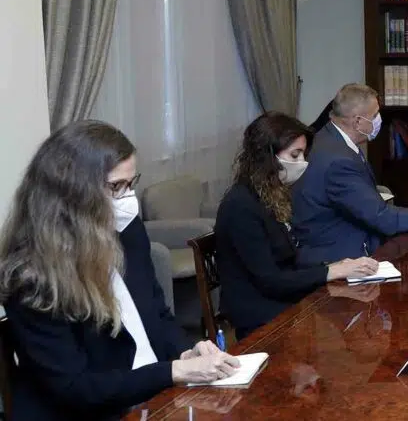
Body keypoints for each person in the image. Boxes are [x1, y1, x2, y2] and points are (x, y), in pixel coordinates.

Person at [0, 121, 241, 421]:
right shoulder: (31, 276)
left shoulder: (126, 231)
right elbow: (75, 388)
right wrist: (173, 371)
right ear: (70, 194)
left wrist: (186, 352)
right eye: (116, 187)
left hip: (153, 397)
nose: (129, 199)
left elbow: (157, 314)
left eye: (131, 184)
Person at [215, 112, 381, 340]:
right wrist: (332, 271)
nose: (302, 162)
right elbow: (271, 280)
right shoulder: (241, 206)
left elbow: (287, 261)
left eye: (303, 154)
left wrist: (334, 265)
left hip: (283, 300)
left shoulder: (268, 195)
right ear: (268, 155)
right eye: (295, 154)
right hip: (260, 315)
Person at [291, 83, 408, 266]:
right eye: (374, 115)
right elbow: (383, 218)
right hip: (342, 255)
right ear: (357, 121)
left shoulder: (330, 138)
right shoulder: (338, 160)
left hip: (348, 239)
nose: (379, 120)